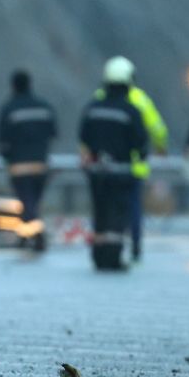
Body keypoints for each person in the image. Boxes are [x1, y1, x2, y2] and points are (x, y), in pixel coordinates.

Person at [78, 65, 148, 271]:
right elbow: (141, 142)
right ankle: (113, 257)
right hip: (120, 171)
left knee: (100, 212)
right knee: (117, 215)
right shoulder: (130, 111)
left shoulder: (93, 108)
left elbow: (83, 136)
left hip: (96, 172)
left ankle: (99, 256)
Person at [97, 57, 167, 262]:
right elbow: (157, 129)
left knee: (105, 207)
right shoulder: (139, 99)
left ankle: (105, 246)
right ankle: (135, 245)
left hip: (103, 166)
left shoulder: (101, 97)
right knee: (133, 207)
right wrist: (161, 147)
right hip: (134, 166)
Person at [0, 70, 57, 251]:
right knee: (33, 203)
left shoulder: (9, 109)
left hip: (18, 166)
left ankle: (36, 235)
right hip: (40, 164)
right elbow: (53, 133)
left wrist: (8, 158)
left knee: (27, 202)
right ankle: (25, 236)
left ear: (13, 86)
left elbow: (2, 140)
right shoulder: (44, 107)